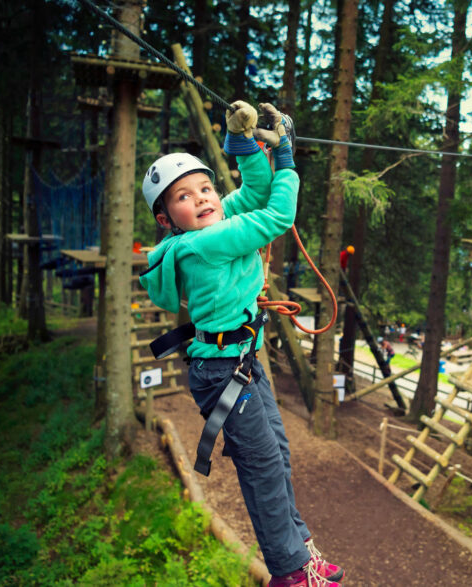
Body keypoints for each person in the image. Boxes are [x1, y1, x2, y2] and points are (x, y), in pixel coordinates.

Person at [139, 101, 343, 587]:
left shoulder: (210, 223)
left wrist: (241, 143)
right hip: (222, 370)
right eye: (184, 196)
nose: (202, 199)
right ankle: (289, 573)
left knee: (277, 454)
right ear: (166, 219)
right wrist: (285, 156)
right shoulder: (202, 242)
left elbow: (253, 192)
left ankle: (299, 549)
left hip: (239, 361)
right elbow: (277, 214)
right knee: (263, 466)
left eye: (205, 188)